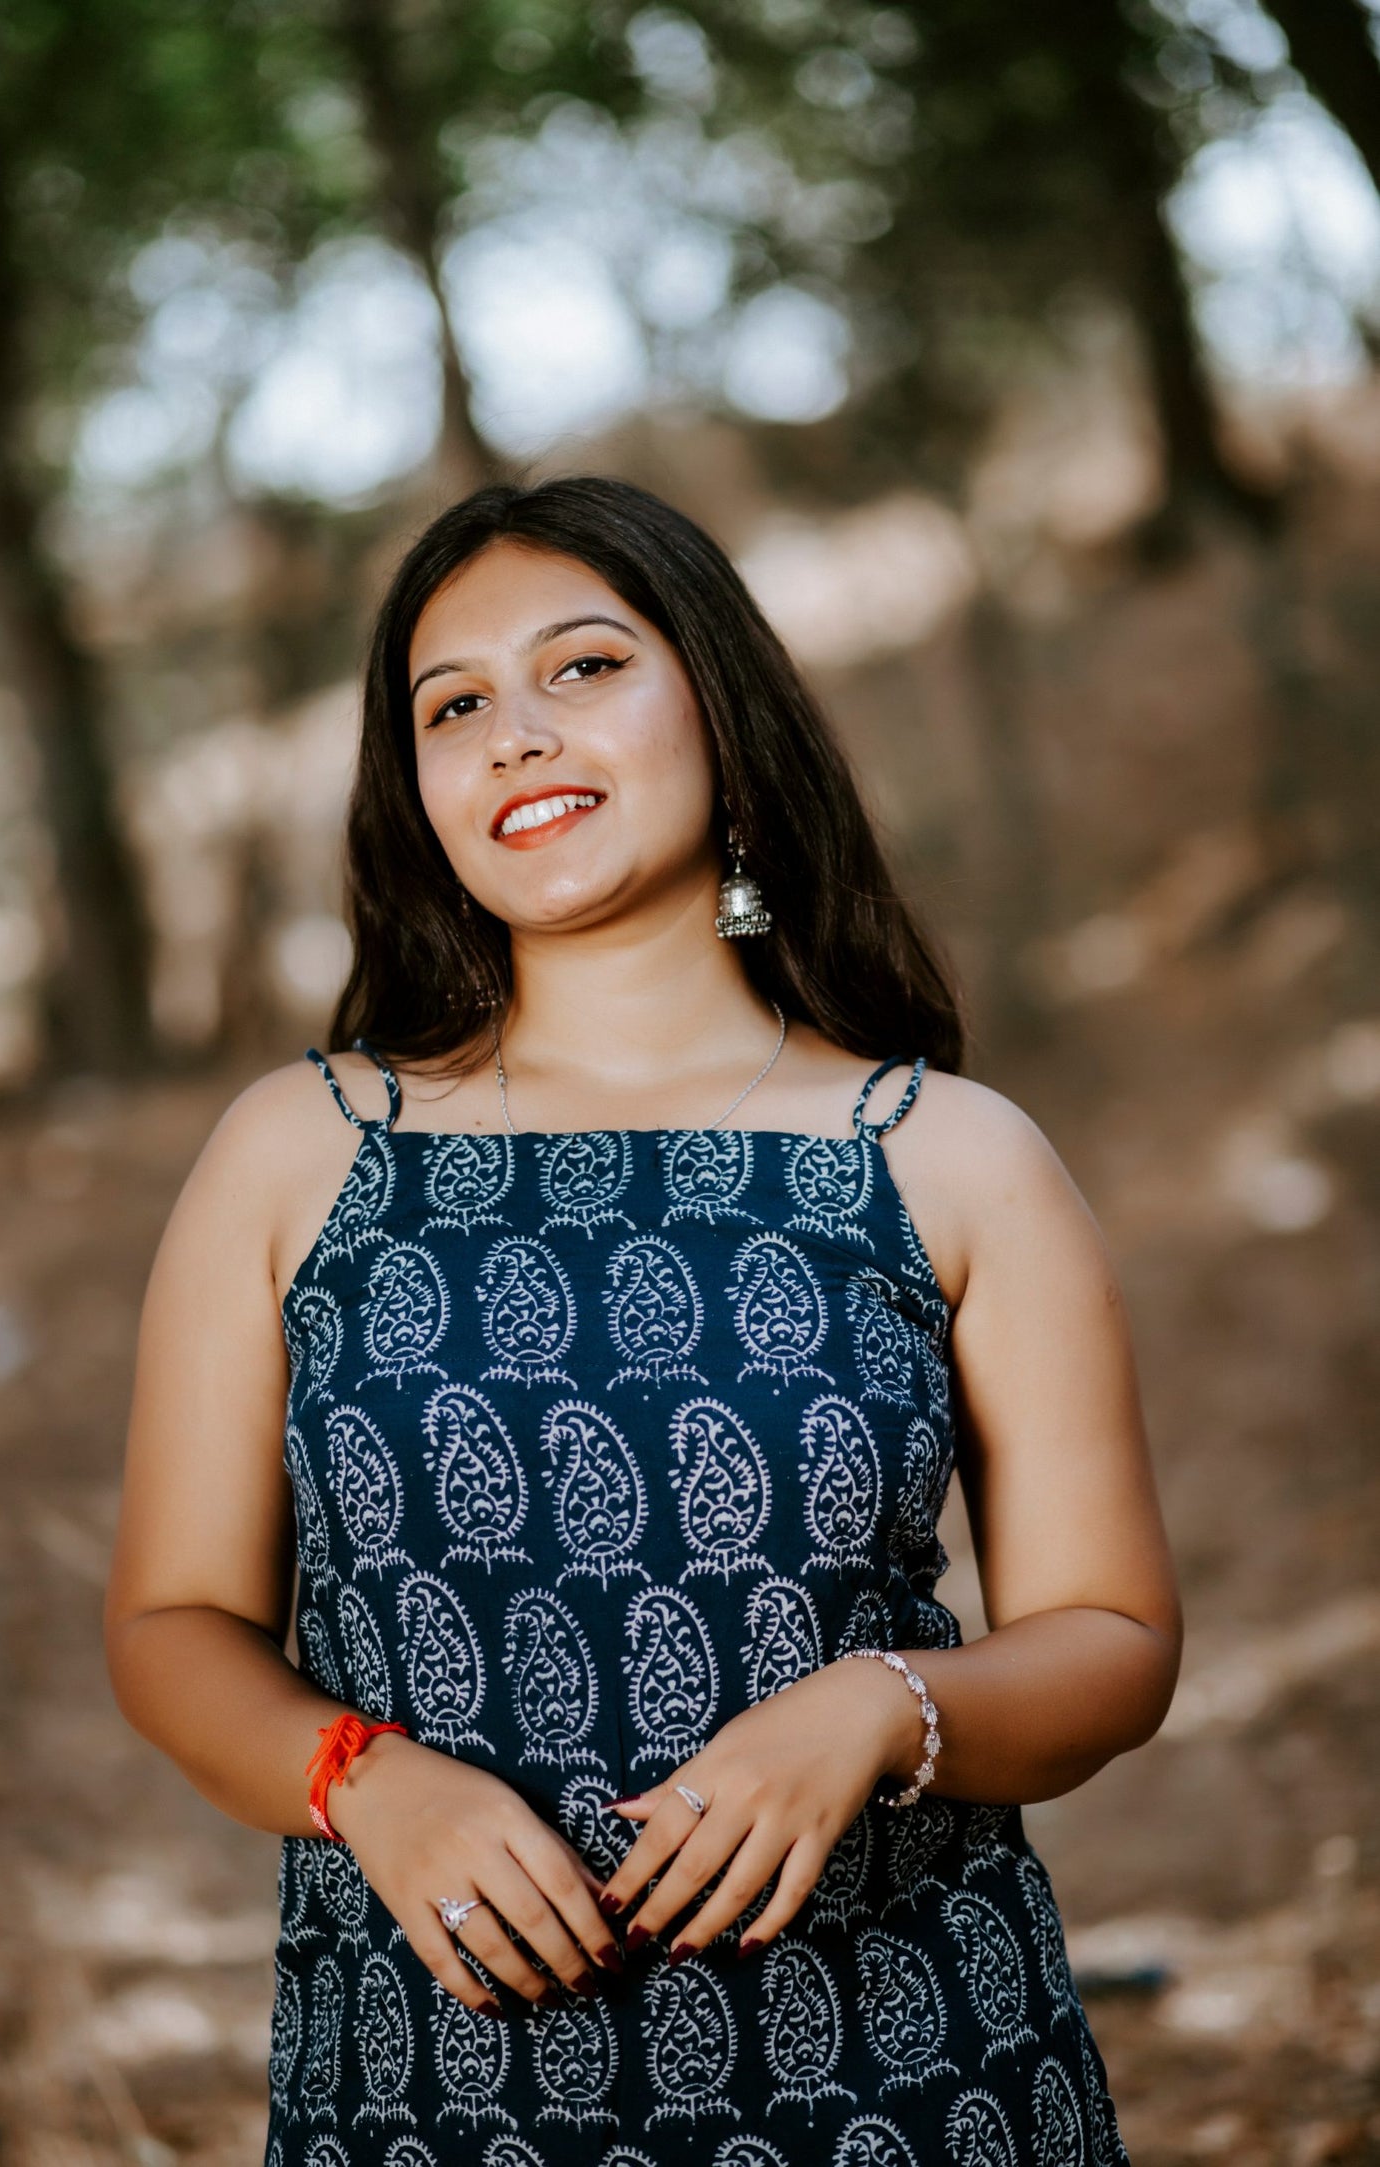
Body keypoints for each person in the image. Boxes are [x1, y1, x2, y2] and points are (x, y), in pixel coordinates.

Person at [104, 473, 1181, 2165]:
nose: (515, 734)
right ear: (422, 793)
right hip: (430, 2092)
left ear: (724, 712)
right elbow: (170, 1622)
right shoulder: (301, 1149)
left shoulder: (949, 1154)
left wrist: (879, 1709)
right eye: (453, 707)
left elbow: (1113, 1639)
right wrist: (362, 1780)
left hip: (907, 2070)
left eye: (584, 668)